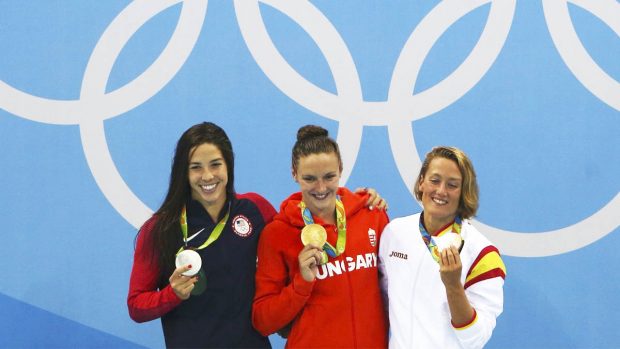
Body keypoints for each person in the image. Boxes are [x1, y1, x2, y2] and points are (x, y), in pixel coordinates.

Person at [127, 122, 385, 348]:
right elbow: (136, 305)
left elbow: (302, 222)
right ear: (183, 172)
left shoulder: (254, 210)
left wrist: (356, 202)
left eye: (216, 164)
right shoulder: (160, 230)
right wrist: (170, 294)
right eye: (196, 167)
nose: (208, 176)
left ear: (228, 165)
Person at [252, 125, 389, 348]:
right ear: (294, 173)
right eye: (310, 178)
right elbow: (263, 321)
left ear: (341, 169)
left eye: (329, 176)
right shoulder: (277, 233)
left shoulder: (371, 215)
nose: (321, 188)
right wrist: (301, 283)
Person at [378, 146, 506, 349]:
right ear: (421, 182)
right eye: (434, 180)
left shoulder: (483, 253)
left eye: (452, 185)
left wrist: (453, 285)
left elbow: (475, 338)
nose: (441, 191)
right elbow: (380, 302)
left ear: (464, 192)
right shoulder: (394, 233)